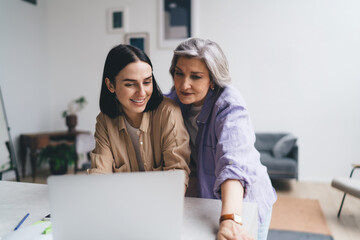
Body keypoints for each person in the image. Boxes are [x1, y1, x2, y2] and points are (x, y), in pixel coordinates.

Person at [167, 38, 277, 240]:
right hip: (204, 198)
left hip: (243, 201)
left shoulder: (229, 105)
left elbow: (233, 164)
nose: (184, 84)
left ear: (213, 80)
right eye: (179, 73)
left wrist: (230, 219)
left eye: (196, 77)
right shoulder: (171, 102)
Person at [88, 44, 190, 188]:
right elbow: (99, 174)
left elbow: (177, 175)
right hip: (122, 205)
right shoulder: (104, 121)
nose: (142, 92)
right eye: (130, 84)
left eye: (147, 82)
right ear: (110, 85)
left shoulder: (168, 113)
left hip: (162, 204)